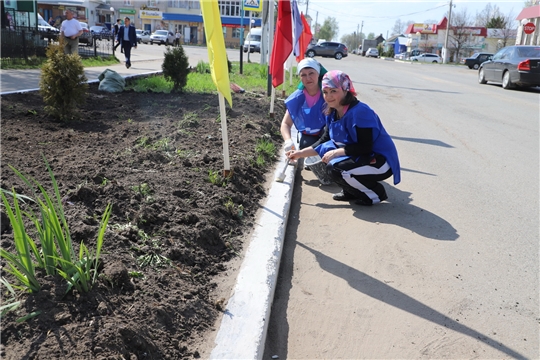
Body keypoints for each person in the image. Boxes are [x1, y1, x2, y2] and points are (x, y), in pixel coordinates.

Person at [286, 70, 401, 206]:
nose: (328, 97)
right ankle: (351, 191)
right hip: (362, 156)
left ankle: (375, 194)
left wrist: (336, 152)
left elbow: (365, 146)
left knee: (336, 168)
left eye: (333, 91)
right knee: (330, 162)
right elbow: (324, 140)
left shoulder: (360, 112)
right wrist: (299, 154)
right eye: (325, 92)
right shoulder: (332, 112)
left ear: (345, 89)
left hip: (380, 161)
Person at [280, 58, 327, 158]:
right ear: (300, 78)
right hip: (311, 135)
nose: (308, 78)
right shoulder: (297, 98)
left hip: (328, 134)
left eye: (311, 73)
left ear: (318, 74)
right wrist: (288, 141)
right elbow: (286, 123)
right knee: (306, 145)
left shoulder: (327, 93)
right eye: (303, 75)